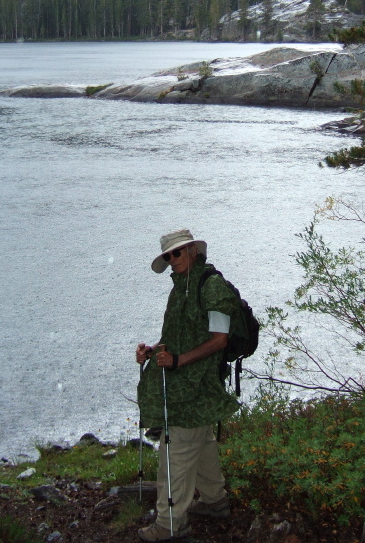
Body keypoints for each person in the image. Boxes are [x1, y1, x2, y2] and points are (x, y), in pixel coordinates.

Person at [135, 228, 242, 542]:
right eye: (168, 256)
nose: (172, 260)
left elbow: (219, 341)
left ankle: (170, 525)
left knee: (176, 451)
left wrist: (179, 361)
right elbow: (176, 336)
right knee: (202, 441)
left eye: (177, 253)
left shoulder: (212, 288)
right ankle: (215, 501)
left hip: (199, 387)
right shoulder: (180, 287)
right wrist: (153, 350)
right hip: (183, 384)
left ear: (194, 250)